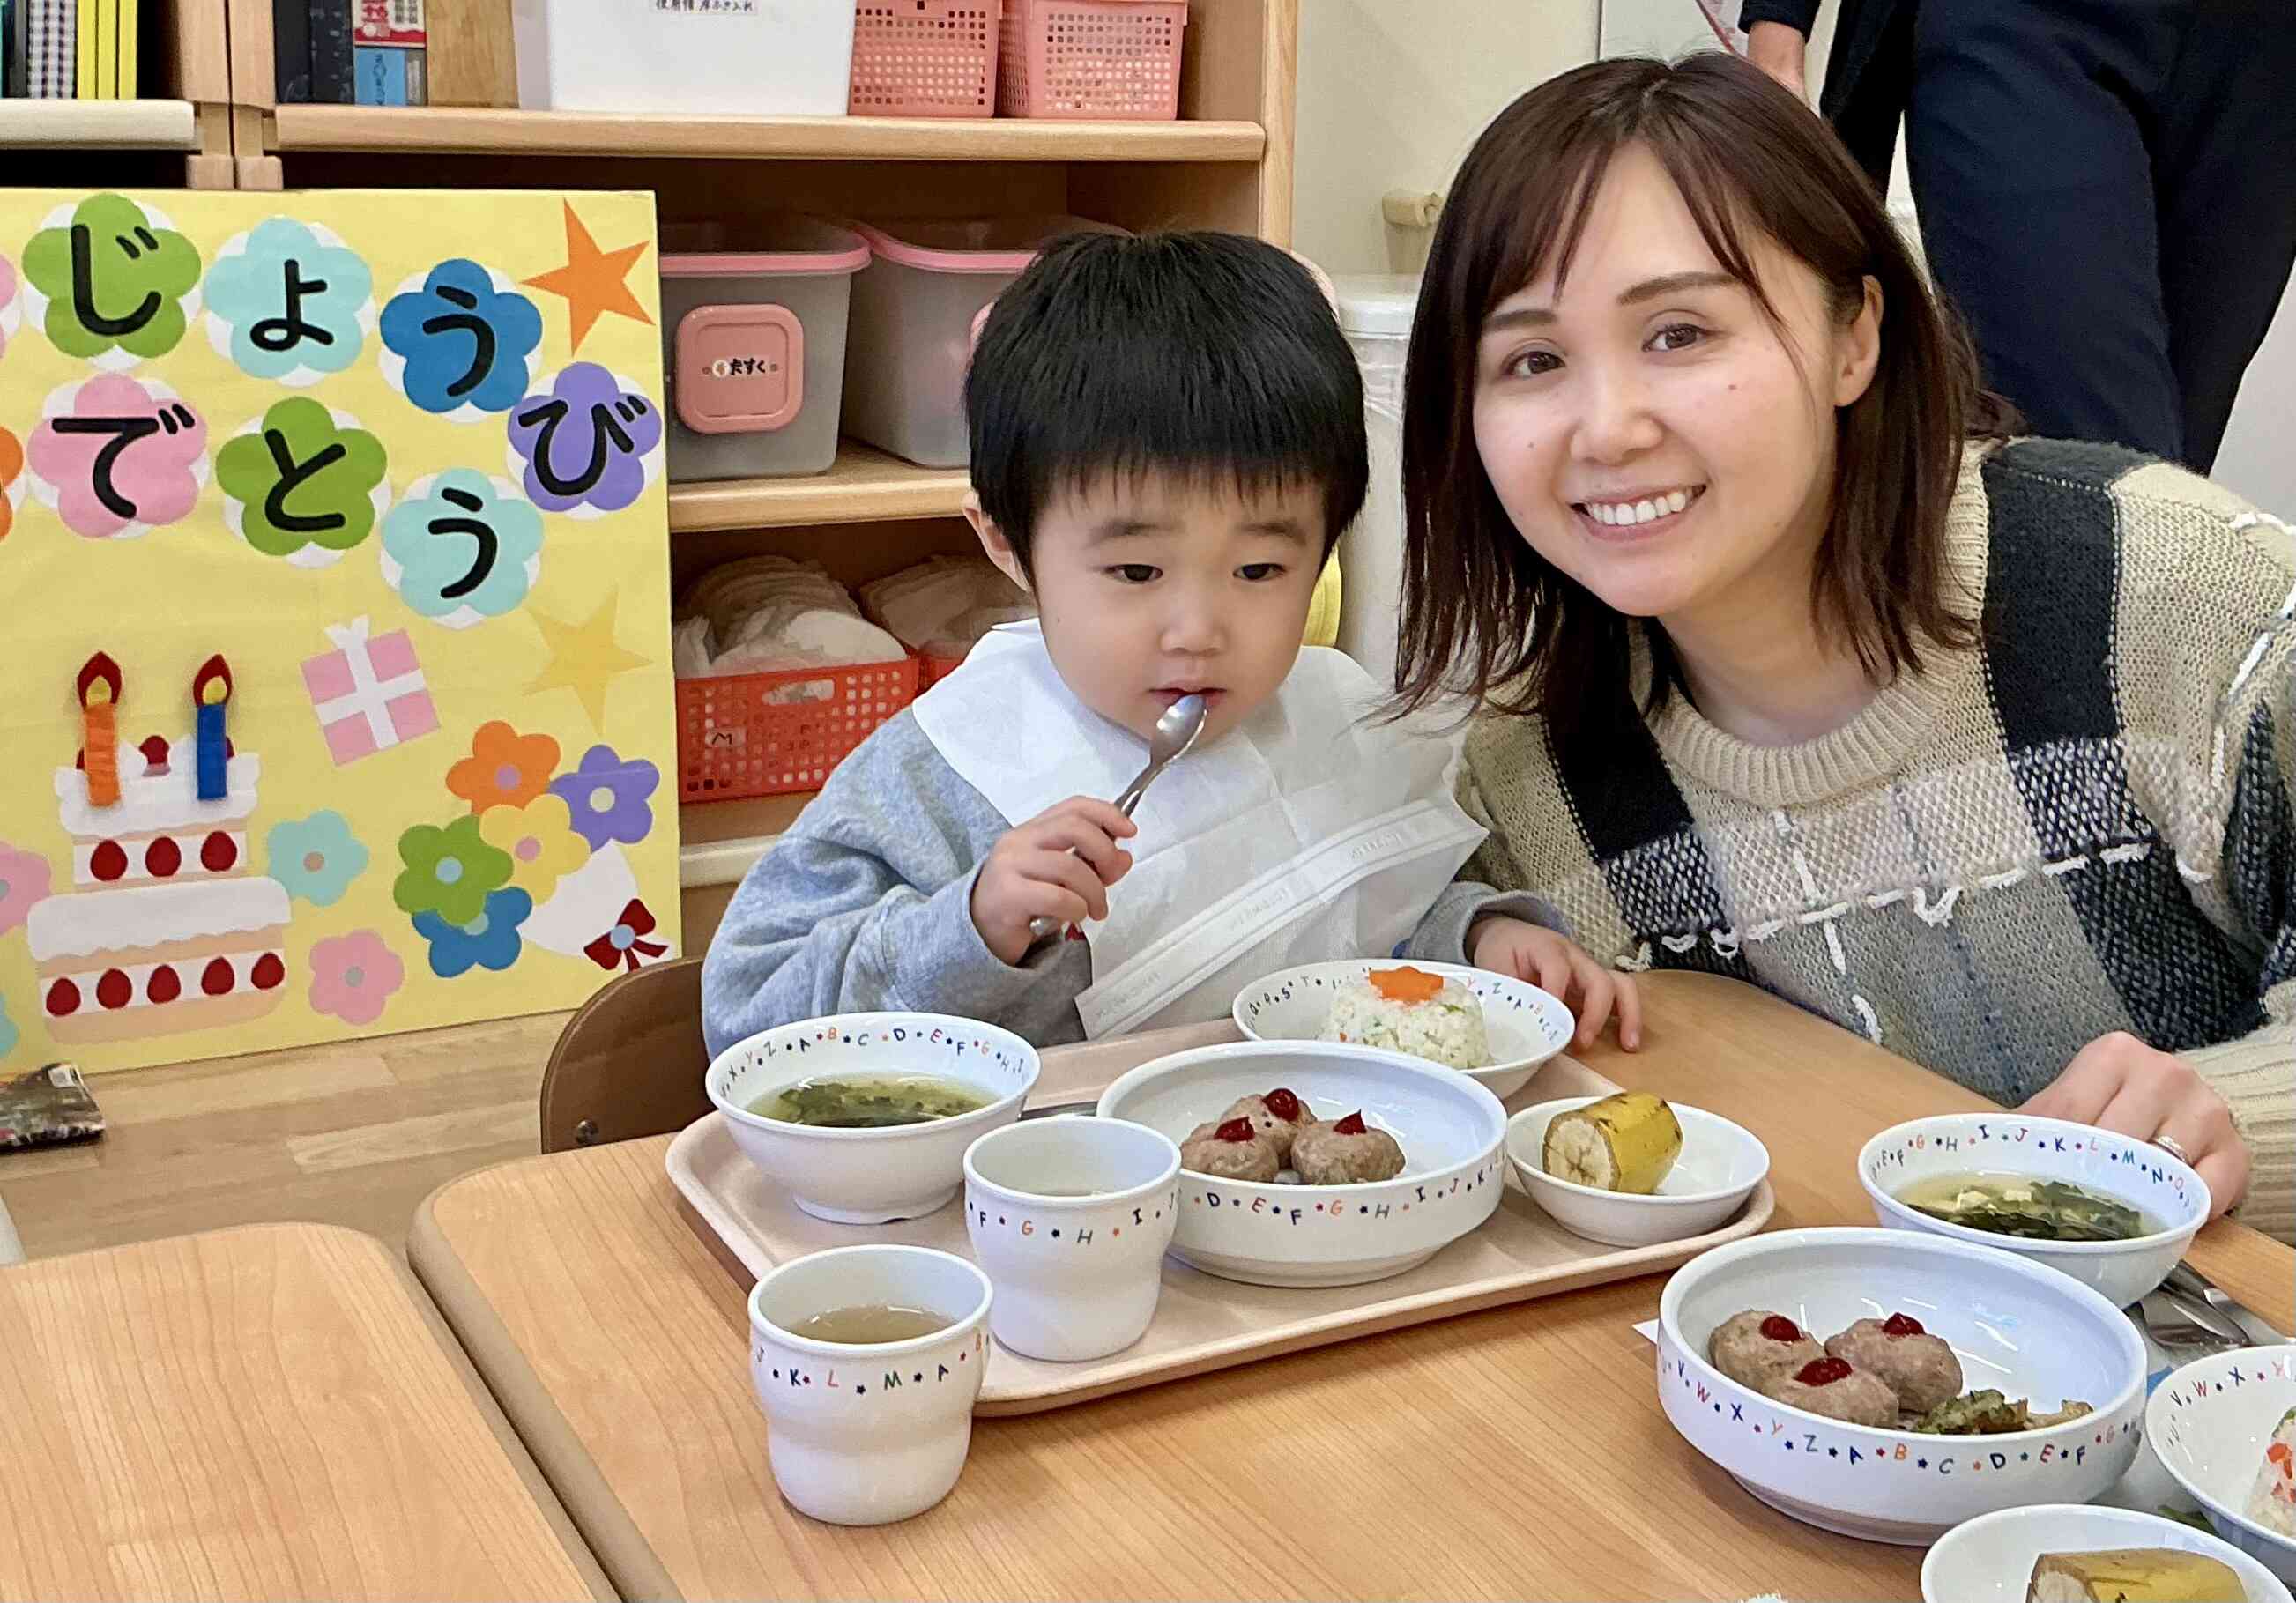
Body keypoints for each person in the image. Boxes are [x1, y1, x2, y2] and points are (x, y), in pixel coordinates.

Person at [1397, 54, 2292, 1238]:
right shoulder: (1534, 775)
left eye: (1677, 331)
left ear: (1853, 336)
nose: (1607, 427)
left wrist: (2234, 1113)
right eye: (1533, 361)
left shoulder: (2175, 593)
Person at [702, 233, 1631, 1055]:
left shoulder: (1337, 716)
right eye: (1136, 574)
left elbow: (1379, 913)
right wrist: (973, 923)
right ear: (1005, 542)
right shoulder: (947, 769)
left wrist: (1478, 940)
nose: (1198, 632)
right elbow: (747, 1012)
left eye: (1260, 571)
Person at [1738, 0, 2296, 474]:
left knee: (2176, 476)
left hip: (2265, 56)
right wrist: (1778, 26)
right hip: (2025, 22)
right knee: (2095, 458)